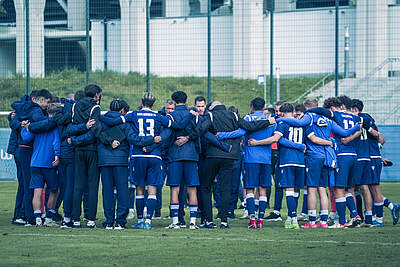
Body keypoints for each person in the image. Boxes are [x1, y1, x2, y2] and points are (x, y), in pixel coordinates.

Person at [177, 100, 275, 228]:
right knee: (226, 188)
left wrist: (188, 137)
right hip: (230, 156)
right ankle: (224, 220)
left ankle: (209, 220)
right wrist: (267, 122)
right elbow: (250, 126)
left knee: (206, 187)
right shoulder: (233, 115)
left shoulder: (210, 115)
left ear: (212, 108)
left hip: (212, 156)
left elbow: (201, 129)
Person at [278, 98, 363, 229]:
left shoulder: (309, 116)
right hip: (327, 157)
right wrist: (358, 127)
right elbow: (345, 132)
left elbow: (298, 123)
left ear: (307, 108)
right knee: (323, 189)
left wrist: (279, 120)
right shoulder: (328, 120)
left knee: (312, 188)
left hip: (314, 156)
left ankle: (312, 221)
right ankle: (323, 220)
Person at [127, 92, 188, 230]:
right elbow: (175, 125)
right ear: (154, 104)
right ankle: (148, 220)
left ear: (141, 102)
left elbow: (122, 121)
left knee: (140, 189)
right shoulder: (158, 117)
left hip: (138, 155)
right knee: (153, 189)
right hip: (155, 156)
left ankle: (140, 220)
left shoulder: (133, 115)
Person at [67, 84, 103, 228]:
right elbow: (93, 132)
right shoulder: (96, 108)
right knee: (92, 186)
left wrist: (75, 140)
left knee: (78, 186)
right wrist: (85, 128)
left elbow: (71, 128)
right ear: (96, 95)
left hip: (78, 150)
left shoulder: (75, 106)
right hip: (92, 150)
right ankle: (90, 220)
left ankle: (75, 219)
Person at [20, 102, 61, 227]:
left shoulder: (37, 125)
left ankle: (37, 218)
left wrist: (23, 127)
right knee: (54, 190)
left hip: (35, 162)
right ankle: (48, 218)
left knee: (37, 191)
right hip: (49, 163)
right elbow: (56, 141)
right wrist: (57, 155)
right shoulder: (54, 125)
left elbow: (26, 138)